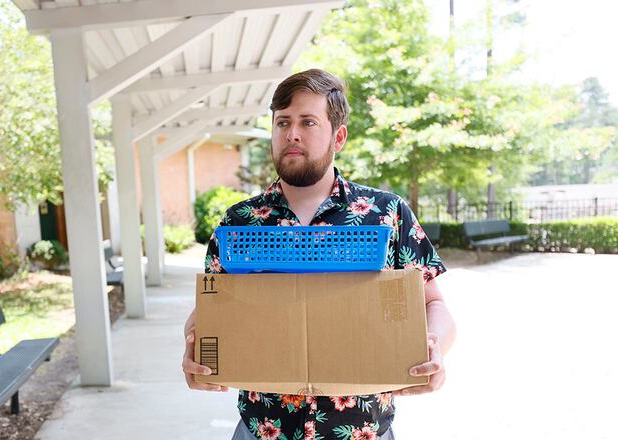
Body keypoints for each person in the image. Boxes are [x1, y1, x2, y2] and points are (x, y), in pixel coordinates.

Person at [182, 69, 456, 440]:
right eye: (282, 123)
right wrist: (195, 346)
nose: (291, 134)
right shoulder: (239, 222)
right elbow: (210, 313)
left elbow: (434, 305)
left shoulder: (386, 213)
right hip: (264, 431)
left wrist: (435, 347)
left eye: (307, 122)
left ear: (338, 136)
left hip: (363, 431)